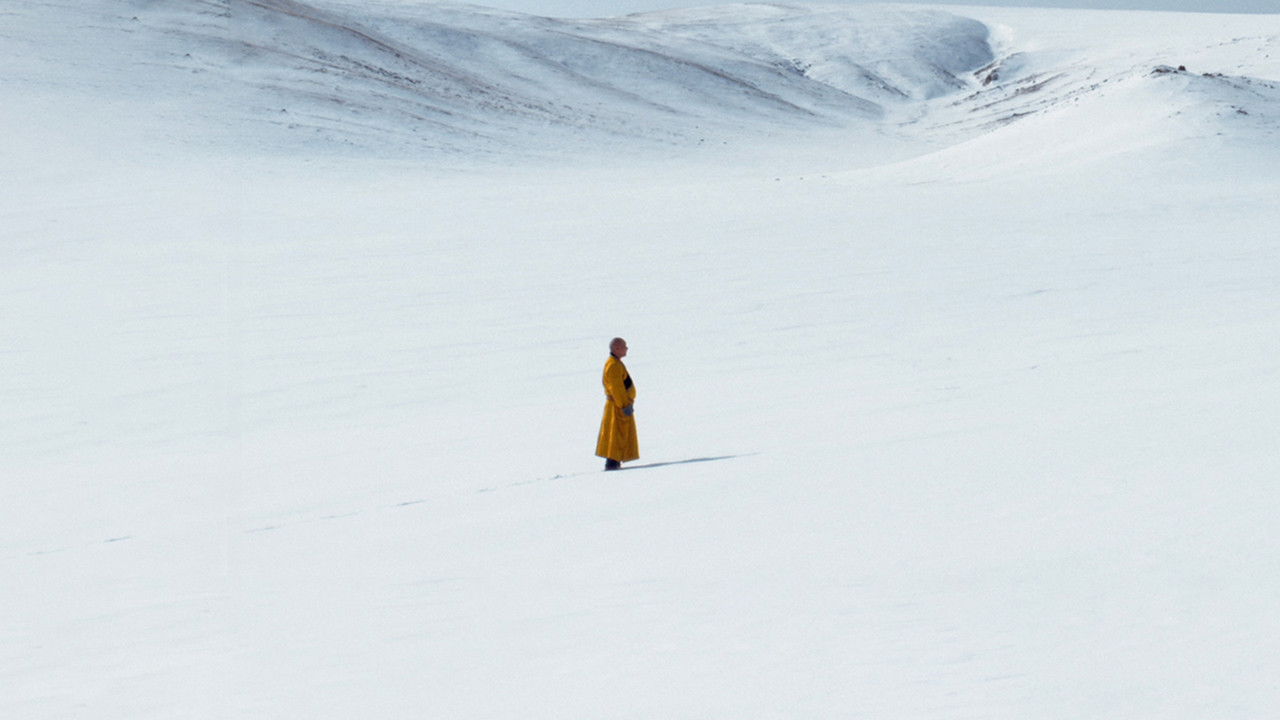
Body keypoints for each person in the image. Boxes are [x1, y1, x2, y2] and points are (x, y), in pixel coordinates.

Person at [596, 337, 638, 470]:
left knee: (618, 434)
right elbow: (617, 388)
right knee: (616, 434)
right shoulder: (613, 365)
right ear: (617, 348)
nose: (627, 348)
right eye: (624, 346)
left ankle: (615, 460)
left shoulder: (616, 363)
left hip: (619, 405)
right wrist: (624, 405)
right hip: (618, 406)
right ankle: (612, 462)